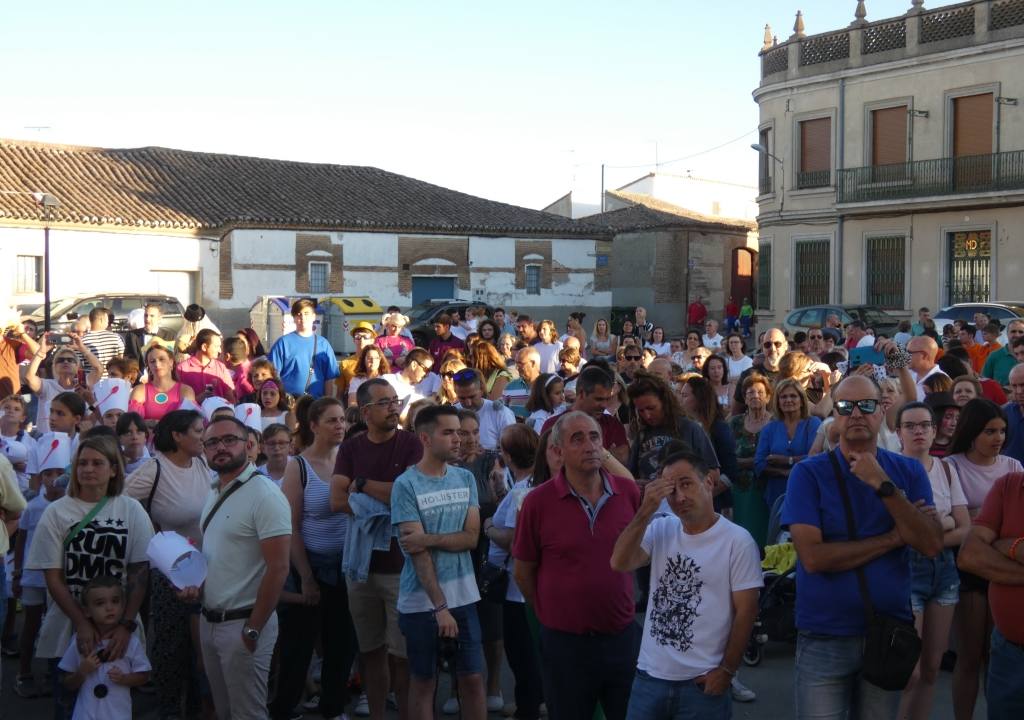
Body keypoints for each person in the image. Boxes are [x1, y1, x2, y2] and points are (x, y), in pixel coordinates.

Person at [782, 374, 943, 720]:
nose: (856, 413)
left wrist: (883, 485)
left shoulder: (907, 472)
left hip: (886, 634)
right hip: (824, 634)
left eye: (866, 405)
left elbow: (930, 544)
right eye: (845, 406)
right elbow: (813, 557)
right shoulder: (808, 475)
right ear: (834, 414)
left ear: (882, 409)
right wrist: (895, 537)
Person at [611, 450, 762, 720]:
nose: (679, 497)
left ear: (709, 482)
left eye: (686, 483)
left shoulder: (737, 541)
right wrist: (645, 510)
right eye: (671, 489)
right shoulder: (661, 528)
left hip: (702, 684)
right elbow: (619, 562)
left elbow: (746, 612)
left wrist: (727, 671)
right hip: (649, 677)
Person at [513, 411, 641, 720]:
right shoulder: (538, 502)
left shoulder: (628, 493)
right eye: (577, 439)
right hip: (565, 644)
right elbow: (524, 571)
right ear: (557, 451)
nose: (590, 446)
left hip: (622, 637)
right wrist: (551, 613)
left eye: (594, 437)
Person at [26, 435, 153, 719]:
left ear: (114, 470)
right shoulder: (56, 512)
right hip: (67, 627)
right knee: (69, 703)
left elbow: (139, 572)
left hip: (119, 627)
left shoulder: (131, 510)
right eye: (82, 463)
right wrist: (81, 622)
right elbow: (53, 576)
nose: (88, 469)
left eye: (97, 463)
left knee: (113, 703)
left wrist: (126, 625)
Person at [180, 416, 290, 720]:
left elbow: (279, 568)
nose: (220, 448)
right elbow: (221, 555)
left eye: (230, 440)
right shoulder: (215, 489)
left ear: (249, 445)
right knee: (226, 711)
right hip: (210, 619)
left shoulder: (266, 495)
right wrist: (197, 587)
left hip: (244, 624)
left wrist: (253, 628)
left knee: (248, 714)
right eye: (212, 442)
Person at [330, 377, 423, 720]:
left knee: (403, 655)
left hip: (402, 568)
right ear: (366, 411)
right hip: (361, 568)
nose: (394, 407)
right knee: (371, 651)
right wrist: (387, 501)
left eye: (395, 400)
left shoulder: (412, 444)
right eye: (385, 402)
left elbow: (410, 495)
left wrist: (365, 485)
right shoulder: (352, 448)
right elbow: (338, 499)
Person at [391, 405, 487, 720]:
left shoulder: (465, 479)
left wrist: (429, 539)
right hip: (422, 603)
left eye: (459, 431)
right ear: (426, 438)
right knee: (423, 681)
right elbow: (415, 553)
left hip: (466, 597)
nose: (457, 439)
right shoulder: (406, 485)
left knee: (472, 678)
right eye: (448, 432)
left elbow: (471, 537)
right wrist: (440, 607)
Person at [271, 397, 358, 720]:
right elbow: (290, 525)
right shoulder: (299, 466)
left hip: (345, 566)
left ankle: (332, 708)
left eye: (342, 420)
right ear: (313, 426)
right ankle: (284, 709)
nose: (340, 426)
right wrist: (305, 575)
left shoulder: (348, 459)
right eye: (332, 421)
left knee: (342, 644)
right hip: (310, 565)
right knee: (299, 646)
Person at [123, 409, 213, 718]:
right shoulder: (154, 469)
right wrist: (149, 536)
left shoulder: (202, 462)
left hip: (207, 568)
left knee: (200, 647)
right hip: (169, 572)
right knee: (171, 644)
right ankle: (169, 708)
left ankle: (196, 708)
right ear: (177, 436)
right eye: (199, 431)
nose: (204, 437)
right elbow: (121, 501)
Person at [943, 399, 1023, 720]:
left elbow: (982, 523)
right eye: (990, 431)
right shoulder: (952, 466)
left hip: (1002, 564)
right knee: (970, 656)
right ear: (972, 432)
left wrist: (996, 535)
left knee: (996, 657)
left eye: (1002, 431)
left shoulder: (1013, 468)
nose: (998, 438)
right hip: (972, 572)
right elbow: (962, 529)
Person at [894, 402, 971, 720]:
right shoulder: (890, 471)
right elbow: (897, 531)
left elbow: (965, 527)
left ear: (934, 430)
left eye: (924, 425)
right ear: (898, 433)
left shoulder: (946, 469)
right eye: (910, 426)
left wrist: (933, 530)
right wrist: (943, 524)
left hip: (944, 570)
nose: (918, 431)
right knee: (906, 672)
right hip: (905, 569)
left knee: (931, 668)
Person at [481, 424, 543, 720]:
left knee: (523, 658)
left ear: (506, 454)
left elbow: (513, 536)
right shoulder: (532, 484)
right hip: (528, 587)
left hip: (518, 589)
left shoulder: (525, 488)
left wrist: (489, 527)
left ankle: (527, 709)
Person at [956, 462, 1024, 718]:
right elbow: (970, 556)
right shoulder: (1008, 486)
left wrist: (1006, 546)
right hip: (1009, 655)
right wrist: (1019, 547)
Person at [13, 445, 66, 698]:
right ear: (41, 476)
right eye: (48, 473)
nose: (54, 478)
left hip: (58, 575)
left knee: (54, 624)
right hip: (34, 576)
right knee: (32, 624)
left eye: (59, 472)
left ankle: (50, 672)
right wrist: (17, 573)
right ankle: (24, 672)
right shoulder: (32, 506)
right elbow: (22, 540)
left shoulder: (69, 505)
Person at [59, 576, 152, 719]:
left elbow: (144, 676)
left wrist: (124, 679)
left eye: (115, 601)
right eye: (100, 603)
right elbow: (67, 683)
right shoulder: (80, 641)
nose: (109, 607)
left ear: (123, 605)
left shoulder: (131, 643)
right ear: (87, 611)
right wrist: (81, 672)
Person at [626, 371, 720, 485]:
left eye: (651, 408)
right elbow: (630, 476)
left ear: (664, 402)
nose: (647, 415)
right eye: (641, 411)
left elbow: (714, 473)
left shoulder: (690, 428)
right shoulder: (642, 434)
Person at [754, 379, 822, 513]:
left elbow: (815, 458)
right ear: (778, 402)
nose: (788, 400)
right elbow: (759, 463)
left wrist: (787, 460)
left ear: (802, 400)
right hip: (776, 494)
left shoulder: (813, 423)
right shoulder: (769, 428)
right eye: (783, 397)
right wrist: (784, 472)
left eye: (793, 396)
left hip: (806, 489)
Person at [541, 366, 630, 464]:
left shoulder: (612, 424)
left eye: (607, 399)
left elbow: (623, 458)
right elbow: (550, 465)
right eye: (599, 399)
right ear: (582, 394)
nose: (604, 405)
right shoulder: (552, 425)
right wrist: (608, 456)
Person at [681, 377, 739, 513]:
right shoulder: (684, 428)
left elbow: (731, 471)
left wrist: (704, 496)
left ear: (698, 398)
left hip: (717, 505)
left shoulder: (719, 428)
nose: (680, 399)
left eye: (685, 395)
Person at [729, 374, 773, 548]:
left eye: (760, 392)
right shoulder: (734, 423)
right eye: (750, 393)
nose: (755, 396)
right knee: (742, 538)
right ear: (744, 399)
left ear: (768, 397)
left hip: (766, 487)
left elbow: (773, 458)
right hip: (739, 490)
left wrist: (743, 462)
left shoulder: (775, 423)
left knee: (764, 536)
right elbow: (726, 455)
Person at [26, 334, 103, 434]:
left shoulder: (83, 384)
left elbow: (99, 369)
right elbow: (29, 377)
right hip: (48, 441)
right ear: (54, 366)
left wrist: (82, 348)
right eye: (60, 360)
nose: (65, 362)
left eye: (70, 360)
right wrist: (41, 352)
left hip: (76, 439)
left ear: (77, 366)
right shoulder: (47, 386)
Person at [268, 298, 340, 398]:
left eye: (306, 313)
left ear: (314, 316)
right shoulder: (283, 343)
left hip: (316, 404)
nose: (302, 317)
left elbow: (329, 378)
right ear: (293, 318)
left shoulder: (323, 344)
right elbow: (273, 376)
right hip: (289, 404)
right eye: (298, 314)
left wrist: (326, 403)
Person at [128, 343, 196, 425]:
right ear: (148, 366)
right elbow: (132, 423)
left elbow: (191, 423)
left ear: (171, 362)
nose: (157, 364)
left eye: (161, 359)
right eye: (152, 361)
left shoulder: (185, 390)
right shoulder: (139, 391)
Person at [454, 369, 515, 451]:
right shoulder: (452, 414)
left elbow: (512, 449)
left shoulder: (501, 413)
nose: (468, 403)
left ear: (482, 390)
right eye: (462, 398)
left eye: (472, 397)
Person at [732, 327, 788, 415]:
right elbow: (736, 412)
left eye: (777, 344)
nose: (772, 349)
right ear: (762, 348)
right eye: (767, 345)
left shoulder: (792, 374)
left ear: (786, 346)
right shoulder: (748, 375)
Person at [176, 329, 236, 402]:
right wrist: (196, 400)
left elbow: (230, 397)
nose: (220, 350)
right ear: (204, 347)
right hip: (192, 413)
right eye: (216, 346)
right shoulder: (181, 368)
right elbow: (176, 399)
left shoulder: (221, 367)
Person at [79, 307, 125, 378]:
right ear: (101, 320)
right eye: (107, 320)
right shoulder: (115, 337)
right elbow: (121, 361)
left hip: (92, 383)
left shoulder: (82, 341)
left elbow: (80, 366)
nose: (108, 323)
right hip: (112, 381)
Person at [982, 319, 1024, 386]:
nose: (1017, 335)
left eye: (1021, 332)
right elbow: (984, 382)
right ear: (1007, 333)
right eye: (1013, 331)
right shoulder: (994, 356)